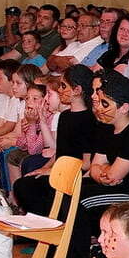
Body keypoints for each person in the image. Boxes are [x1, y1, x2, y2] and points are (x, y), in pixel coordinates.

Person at [64, 72, 129, 258]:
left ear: (124, 107)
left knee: (78, 199)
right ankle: (62, 253)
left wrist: (104, 170)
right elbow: (96, 168)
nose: (98, 107)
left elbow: (113, 176)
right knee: (67, 189)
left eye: (105, 103)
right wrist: (104, 170)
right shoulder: (107, 128)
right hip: (119, 187)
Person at [13, 65, 96, 216]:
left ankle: (53, 221)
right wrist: (44, 168)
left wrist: (54, 171)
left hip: (75, 173)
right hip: (60, 170)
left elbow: (86, 163)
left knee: (34, 188)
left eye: (63, 86)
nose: (60, 90)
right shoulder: (65, 116)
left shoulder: (89, 120)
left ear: (77, 90)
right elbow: (60, 152)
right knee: (22, 184)